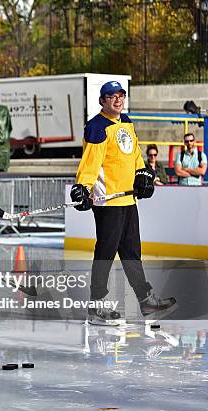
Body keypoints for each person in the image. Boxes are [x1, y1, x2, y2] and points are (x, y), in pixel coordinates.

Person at [70, 81, 177, 326]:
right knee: (106, 254)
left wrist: (144, 173)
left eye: (121, 95)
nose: (118, 100)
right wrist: (83, 187)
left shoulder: (126, 121)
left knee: (132, 253)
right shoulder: (97, 127)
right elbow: (90, 164)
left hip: (128, 200)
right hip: (108, 202)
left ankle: (146, 301)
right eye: (112, 96)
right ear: (102, 101)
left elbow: (135, 154)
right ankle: (96, 307)